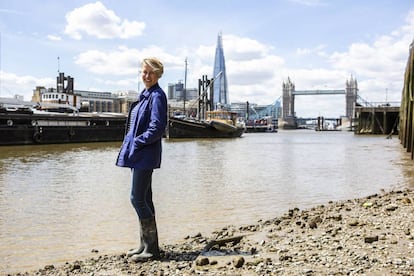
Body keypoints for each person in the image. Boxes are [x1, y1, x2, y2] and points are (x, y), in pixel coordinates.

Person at [116, 57, 168, 261]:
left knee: (136, 198)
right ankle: (144, 245)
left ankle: (152, 250)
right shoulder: (145, 95)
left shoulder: (157, 96)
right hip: (139, 154)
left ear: (158, 75)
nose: (146, 76)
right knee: (145, 198)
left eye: (150, 73)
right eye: (144, 72)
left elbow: (157, 128)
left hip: (145, 154)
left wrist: (137, 143)